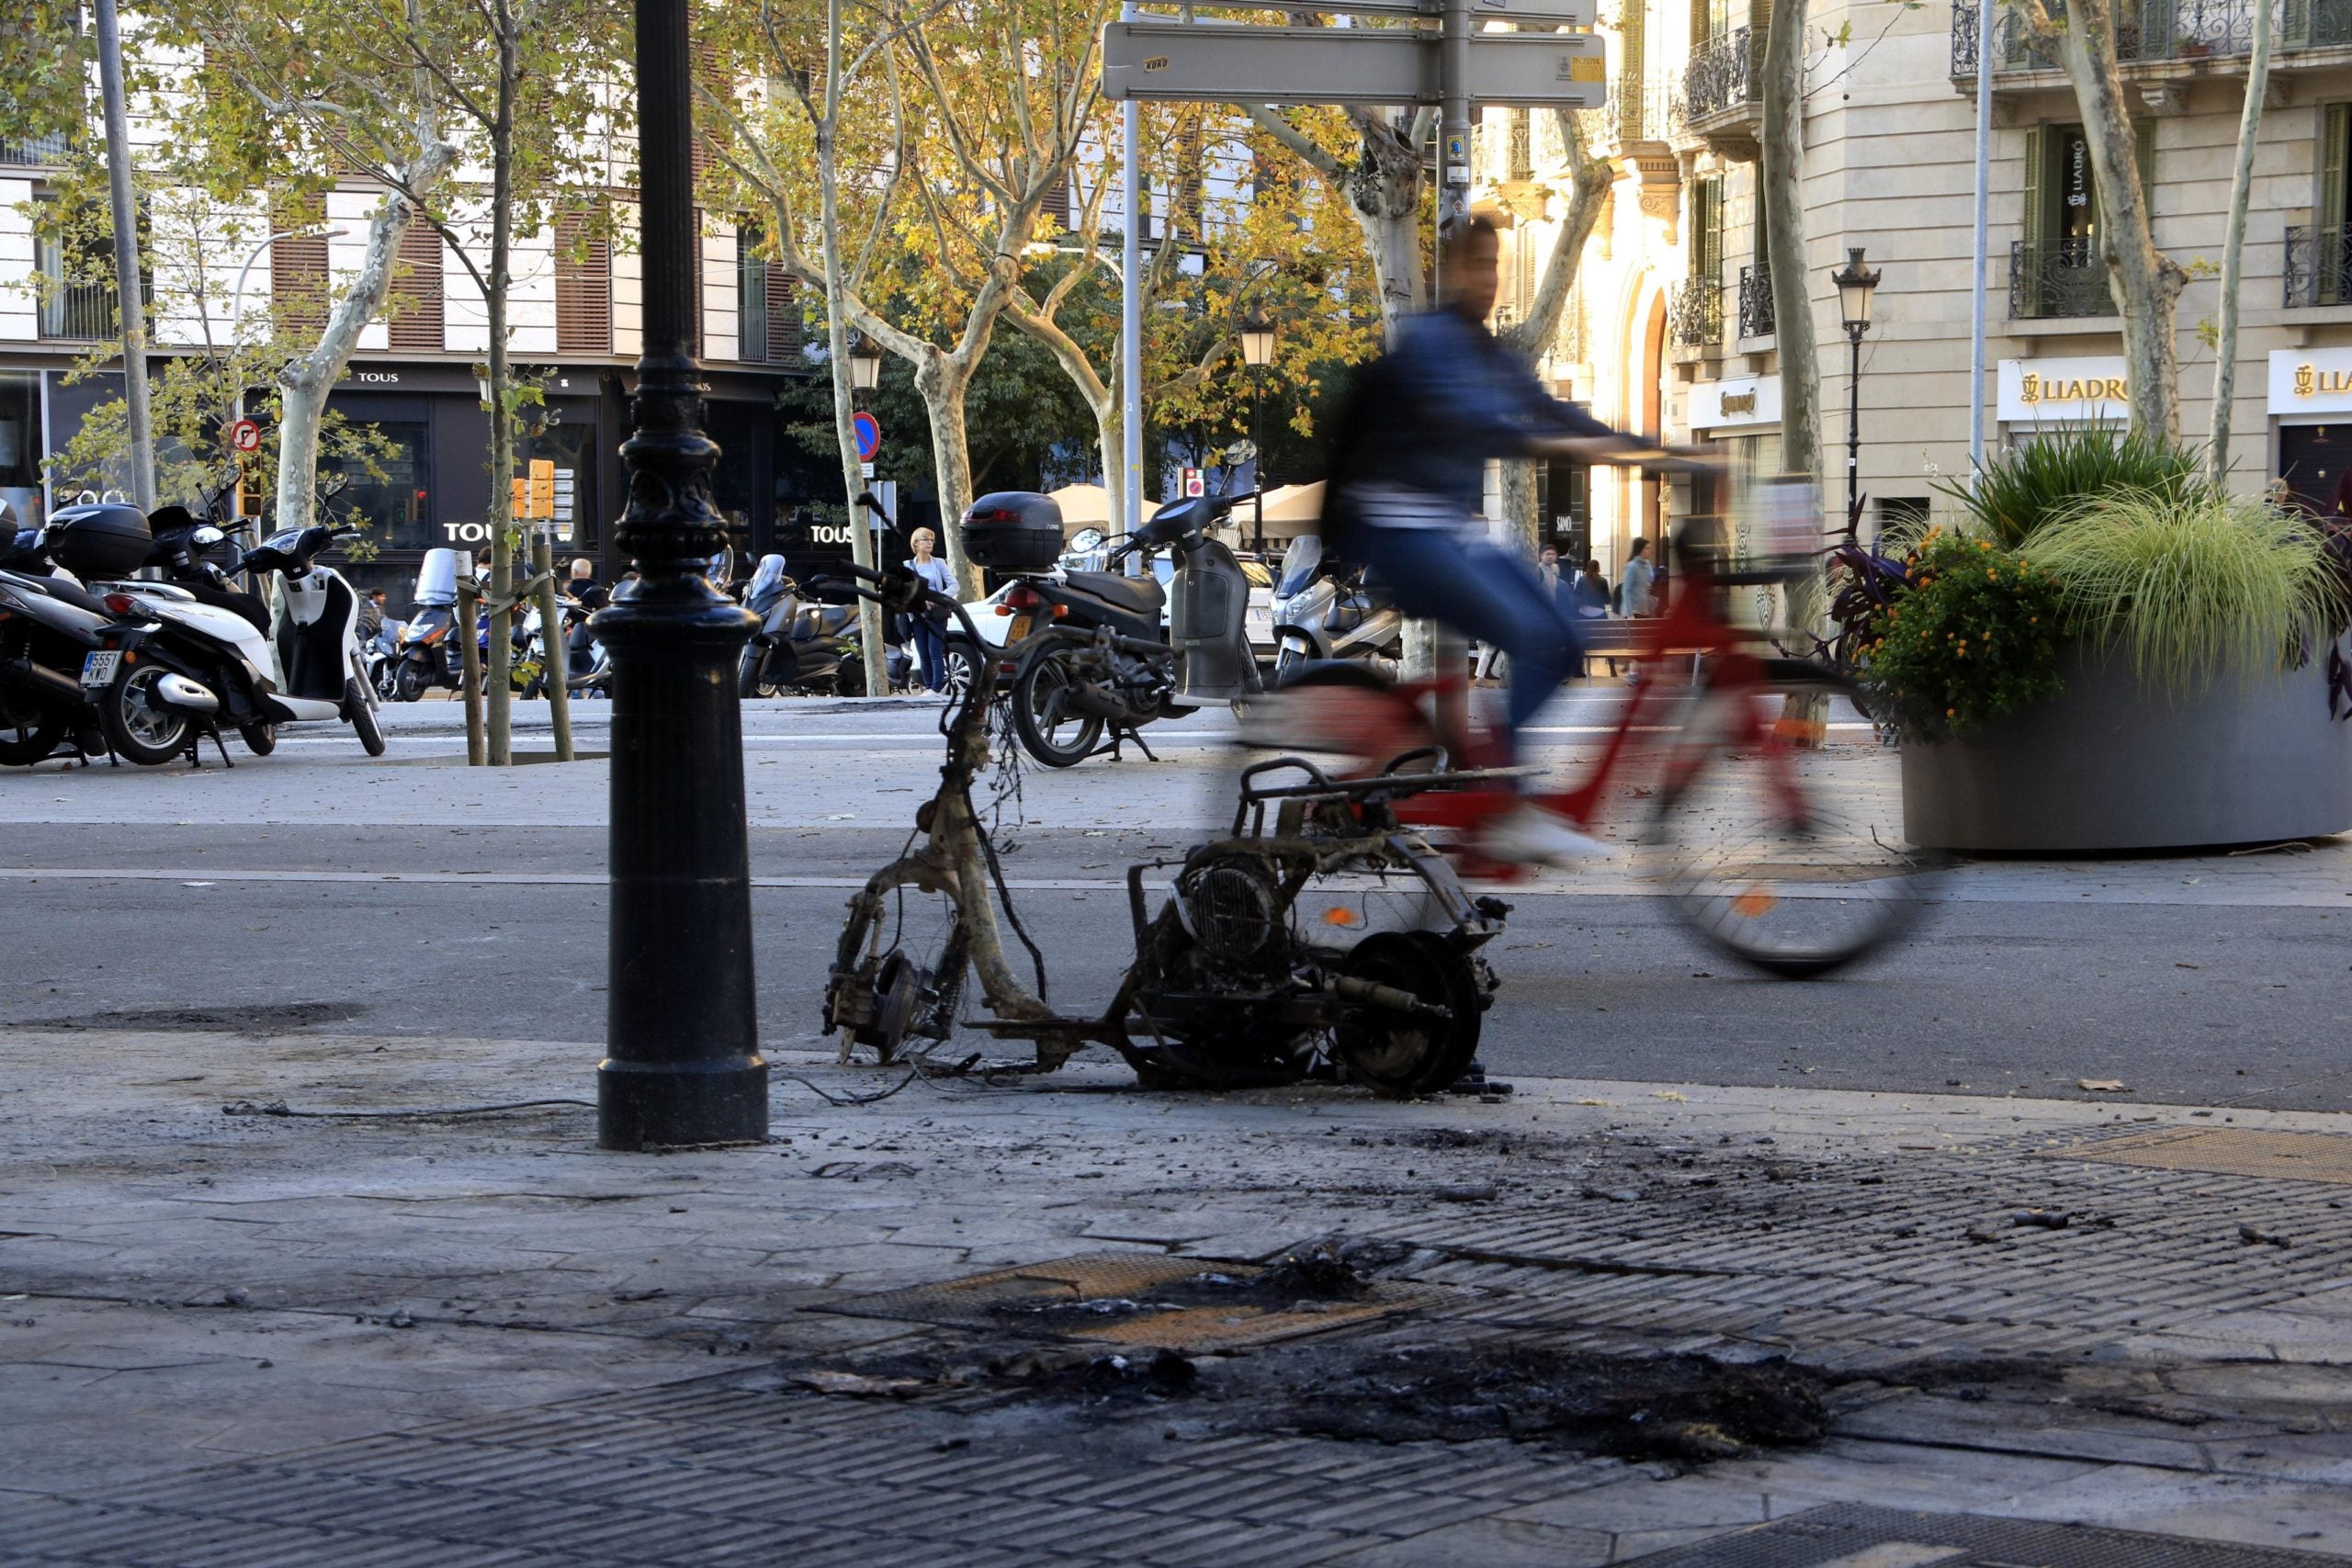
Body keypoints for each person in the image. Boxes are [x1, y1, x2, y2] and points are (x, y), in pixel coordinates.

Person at [1326, 214, 1686, 863]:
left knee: (1565, 636)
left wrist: (1650, 451)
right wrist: (1556, 442)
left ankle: (1493, 778)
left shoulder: (1488, 349)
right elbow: (1480, 422)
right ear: (1446, 272)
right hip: (1399, 529)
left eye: (1495, 265)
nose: (1489, 279)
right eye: (1476, 264)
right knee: (1532, 633)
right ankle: (1507, 800)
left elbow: (1549, 409)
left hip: (1454, 533)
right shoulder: (1433, 341)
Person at [903, 527, 956, 693]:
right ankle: (928, 688)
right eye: (925, 539)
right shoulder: (907, 565)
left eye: (932, 540)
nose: (929, 543)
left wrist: (936, 598)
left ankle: (936, 689)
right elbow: (904, 590)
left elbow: (954, 585)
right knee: (923, 653)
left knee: (935, 651)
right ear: (916, 542)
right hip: (918, 614)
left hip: (936, 614)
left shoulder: (939, 563)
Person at [1618, 536, 1657, 618]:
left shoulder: (1646, 565)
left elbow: (1651, 578)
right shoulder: (1632, 566)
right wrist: (1629, 614)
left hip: (1644, 610)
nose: (1650, 551)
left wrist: (1648, 564)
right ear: (1640, 550)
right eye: (1647, 548)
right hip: (1633, 611)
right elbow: (1626, 590)